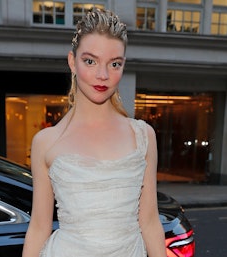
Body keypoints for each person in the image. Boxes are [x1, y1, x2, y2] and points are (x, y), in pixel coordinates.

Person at [22, 7, 167, 257]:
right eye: (90, 61)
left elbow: (151, 222)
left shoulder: (143, 136)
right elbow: (38, 228)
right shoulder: (46, 142)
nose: (103, 75)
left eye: (114, 64)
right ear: (72, 62)